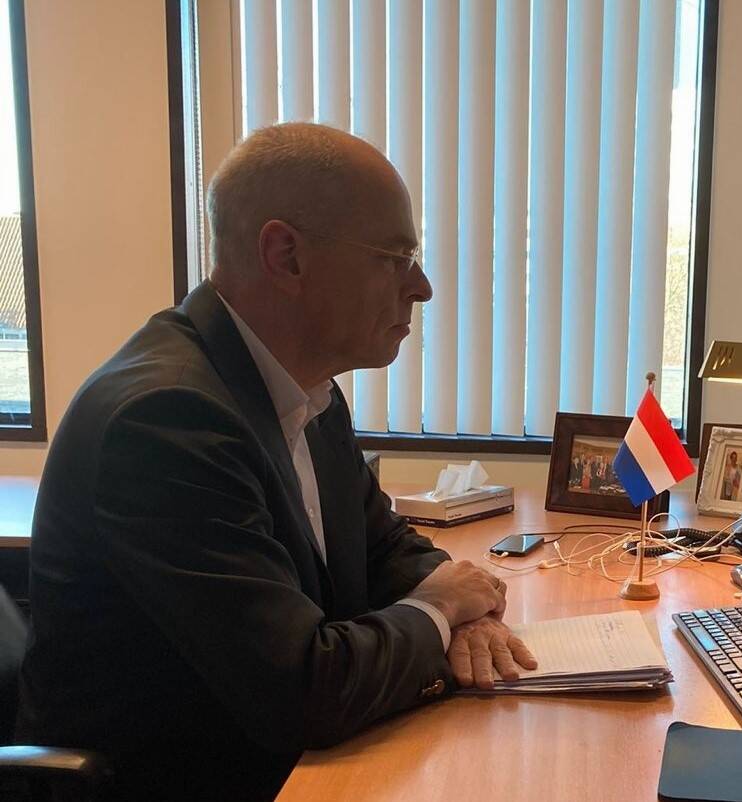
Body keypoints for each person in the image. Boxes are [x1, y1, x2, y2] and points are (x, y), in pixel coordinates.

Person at [15, 123, 536, 801]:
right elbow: (304, 692)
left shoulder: (309, 391)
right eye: (395, 256)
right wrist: (440, 610)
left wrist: (468, 608)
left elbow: (385, 548)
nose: (423, 286)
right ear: (286, 255)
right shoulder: (166, 420)